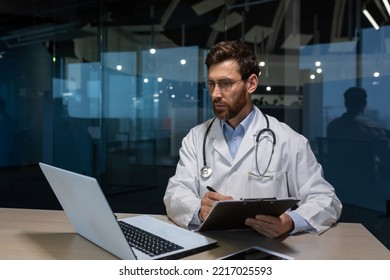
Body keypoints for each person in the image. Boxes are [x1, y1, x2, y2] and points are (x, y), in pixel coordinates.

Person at [164, 40, 342, 238]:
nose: (215, 94)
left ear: (251, 83)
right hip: (209, 248)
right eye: (211, 84)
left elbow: (326, 199)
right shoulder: (196, 138)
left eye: (225, 84)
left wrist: (290, 222)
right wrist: (199, 210)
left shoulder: (289, 140)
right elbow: (175, 192)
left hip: (267, 250)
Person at [327, 86, 390, 183]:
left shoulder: (332, 127)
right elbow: (386, 157)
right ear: (364, 104)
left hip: (338, 183)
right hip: (365, 184)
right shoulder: (373, 129)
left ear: (345, 103)